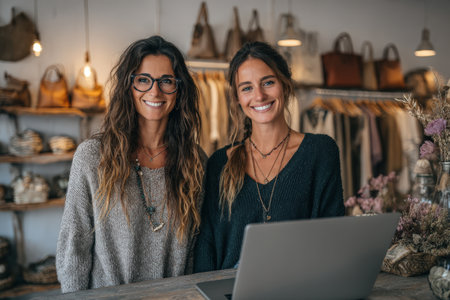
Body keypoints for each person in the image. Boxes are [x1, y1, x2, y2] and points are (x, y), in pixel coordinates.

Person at [56, 35, 206, 292]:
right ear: (129, 86)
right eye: (143, 80)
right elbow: (74, 245)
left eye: (166, 81)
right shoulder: (93, 157)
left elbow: (192, 251)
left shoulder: (195, 161)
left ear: (179, 89)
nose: (155, 91)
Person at [194, 42, 344, 273]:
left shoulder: (320, 151)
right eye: (247, 88)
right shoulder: (219, 164)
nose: (259, 95)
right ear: (236, 98)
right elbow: (207, 245)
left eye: (268, 82)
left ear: (285, 84)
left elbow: (332, 235)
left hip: (300, 287)